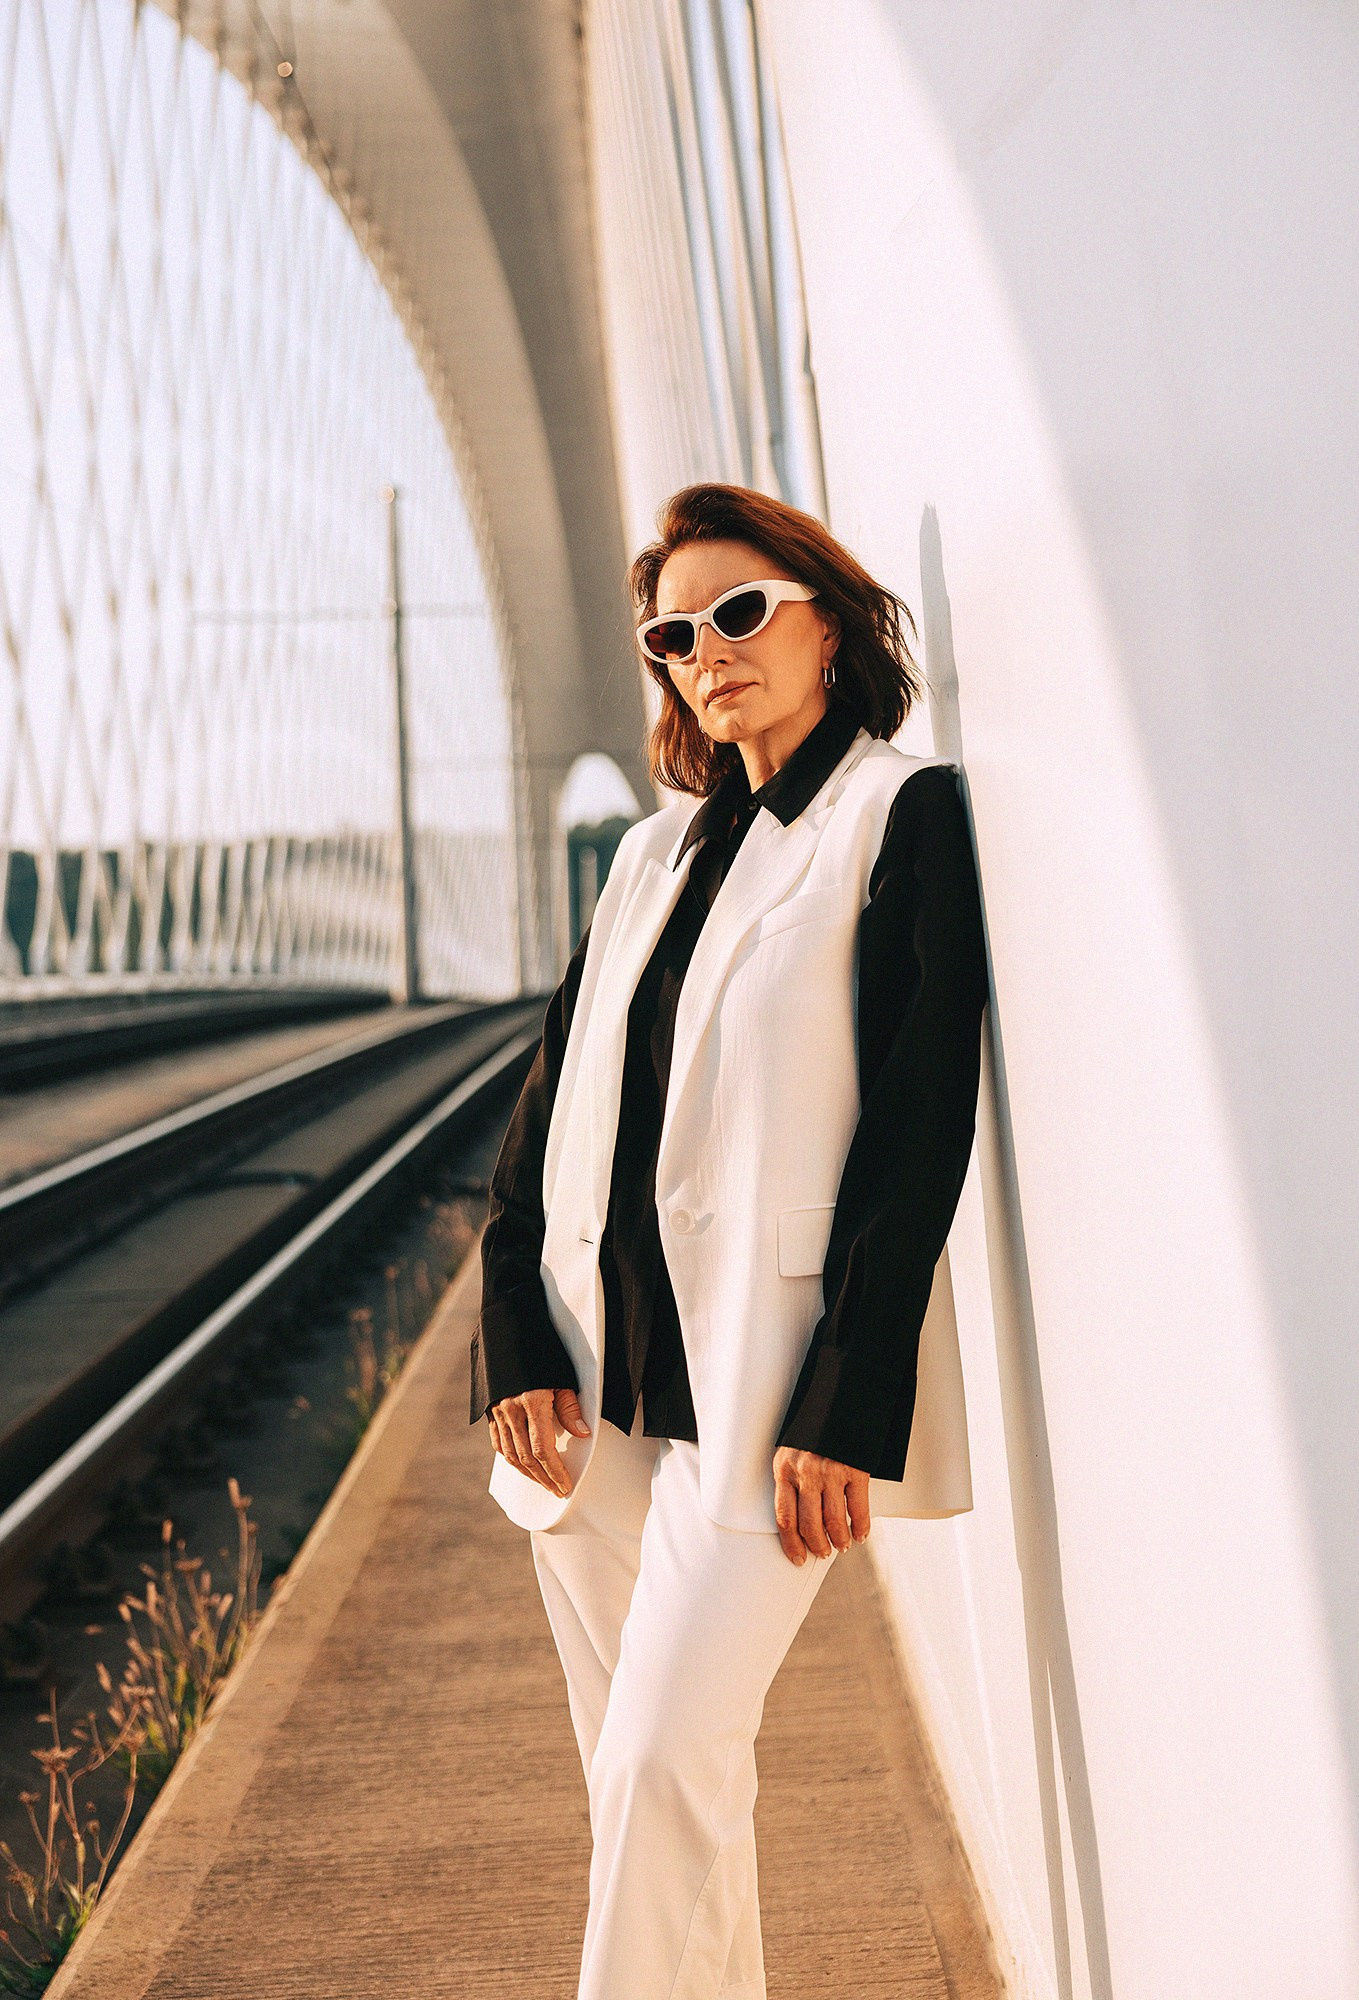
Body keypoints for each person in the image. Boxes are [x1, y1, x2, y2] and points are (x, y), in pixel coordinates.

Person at [470, 481, 989, 2000]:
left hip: (762, 1397)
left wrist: (853, 1401)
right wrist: (512, 1333)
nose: (709, 650)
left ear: (829, 616)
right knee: (665, 1795)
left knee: (656, 1766)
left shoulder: (901, 816)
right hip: (589, 1395)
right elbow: (547, 1111)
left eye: (743, 609)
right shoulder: (648, 858)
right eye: (674, 634)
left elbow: (915, 1127)